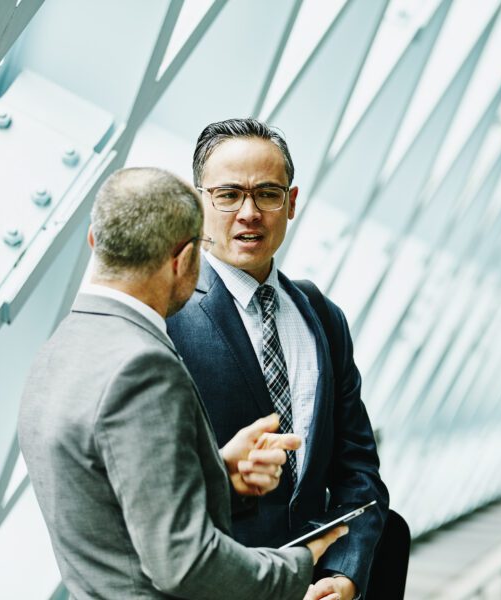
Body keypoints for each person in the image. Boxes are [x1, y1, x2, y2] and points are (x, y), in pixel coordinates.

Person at [18, 167, 346, 600]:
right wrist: (297, 569)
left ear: (94, 241)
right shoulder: (142, 365)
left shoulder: (61, 347)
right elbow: (183, 563)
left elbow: (118, 507)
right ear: (185, 258)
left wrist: (218, 470)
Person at [166, 119, 390, 600]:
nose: (249, 213)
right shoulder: (166, 315)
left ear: (291, 203)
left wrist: (344, 574)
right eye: (228, 194)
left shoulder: (322, 317)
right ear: (198, 201)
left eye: (267, 194)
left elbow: (357, 470)